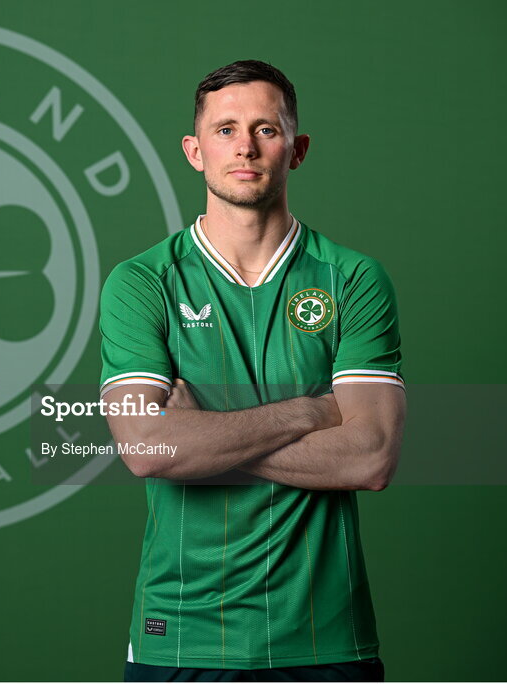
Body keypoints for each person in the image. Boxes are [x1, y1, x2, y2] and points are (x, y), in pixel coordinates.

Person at [98, 60, 406, 682]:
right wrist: (312, 412)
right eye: (225, 129)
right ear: (194, 151)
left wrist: (202, 436)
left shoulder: (352, 279)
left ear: (297, 150)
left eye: (267, 129)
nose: (245, 146)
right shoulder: (141, 282)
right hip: (179, 634)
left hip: (325, 637)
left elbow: (370, 457)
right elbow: (145, 447)